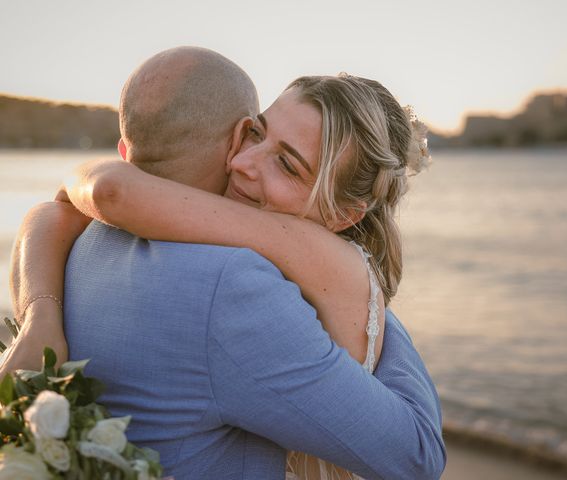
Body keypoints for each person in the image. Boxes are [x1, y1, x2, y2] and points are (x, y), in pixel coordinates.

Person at [2, 47, 446, 479]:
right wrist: (345, 272)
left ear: (345, 215)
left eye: (287, 166)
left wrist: (40, 310)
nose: (244, 162)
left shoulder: (89, 235)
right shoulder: (235, 287)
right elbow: (418, 456)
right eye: (257, 133)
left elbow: (66, 205)